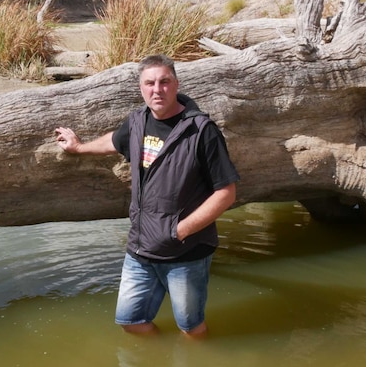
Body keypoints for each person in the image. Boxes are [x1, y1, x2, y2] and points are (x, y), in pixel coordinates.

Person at [55, 54, 239, 338]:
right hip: (140, 248)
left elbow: (226, 193)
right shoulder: (137, 121)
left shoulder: (202, 131)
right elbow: (115, 141)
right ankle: (163, 354)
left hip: (185, 252)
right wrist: (79, 147)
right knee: (131, 321)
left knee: (191, 328)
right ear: (141, 88)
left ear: (176, 84)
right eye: (150, 83)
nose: (157, 89)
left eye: (164, 82)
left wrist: (180, 231)